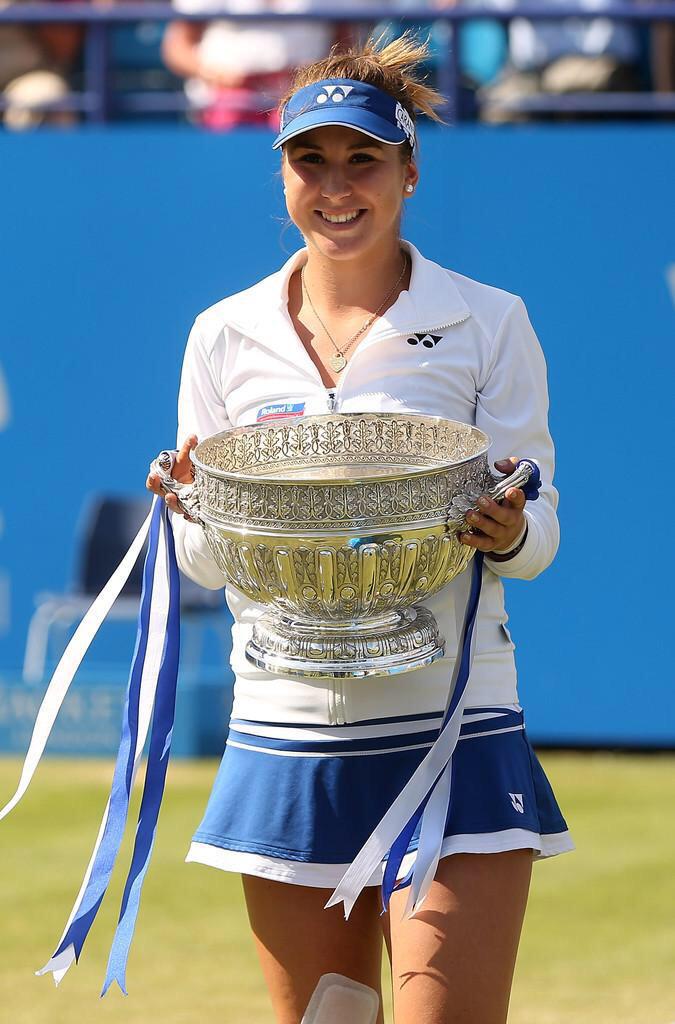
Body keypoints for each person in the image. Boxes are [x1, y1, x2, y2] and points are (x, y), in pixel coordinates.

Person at [148, 33, 573, 1024]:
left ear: (409, 173)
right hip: (287, 736)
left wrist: (506, 528)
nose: (337, 188)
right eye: (312, 161)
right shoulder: (224, 332)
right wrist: (192, 506)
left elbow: (542, 531)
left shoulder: (488, 320)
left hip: (454, 728)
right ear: (282, 172)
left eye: (363, 161)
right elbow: (205, 560)